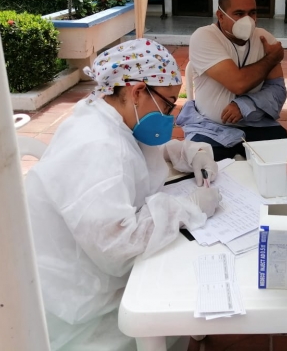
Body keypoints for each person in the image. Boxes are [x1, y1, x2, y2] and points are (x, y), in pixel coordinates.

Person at [25, 39, 222, 351]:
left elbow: (139, 150)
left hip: (78, 271)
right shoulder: (99, 146)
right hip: (83, 302)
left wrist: (187, 152)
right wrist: (189, 207)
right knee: (190, 287)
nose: (171, 114)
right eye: (169, 103)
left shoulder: (103, 113)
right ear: (138, 91)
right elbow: (119, 246)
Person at [176, 0, 287, 161]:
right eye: (239, 13)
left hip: (257, 125)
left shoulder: (264, 38)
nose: (248, 20)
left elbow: (278, 91)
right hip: (210, 129)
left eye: (252, 13)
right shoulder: (204, 36)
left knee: (281, 164)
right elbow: (238, 84)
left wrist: (246, 105)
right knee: (205, 170)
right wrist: (271, 59)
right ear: (220, 16)